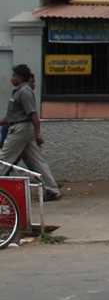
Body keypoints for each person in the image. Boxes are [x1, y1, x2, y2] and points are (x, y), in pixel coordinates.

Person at [0, 64, 61, 201]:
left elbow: (33, 115)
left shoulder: (25, 92)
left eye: (14, 76)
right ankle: (52, 189)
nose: (12, 78)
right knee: (36, 161)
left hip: (21, 130)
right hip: (21, 128)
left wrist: (38, 134)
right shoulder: (18, 91)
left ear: (21, 77)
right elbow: (10, 116)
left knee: (4, 158)